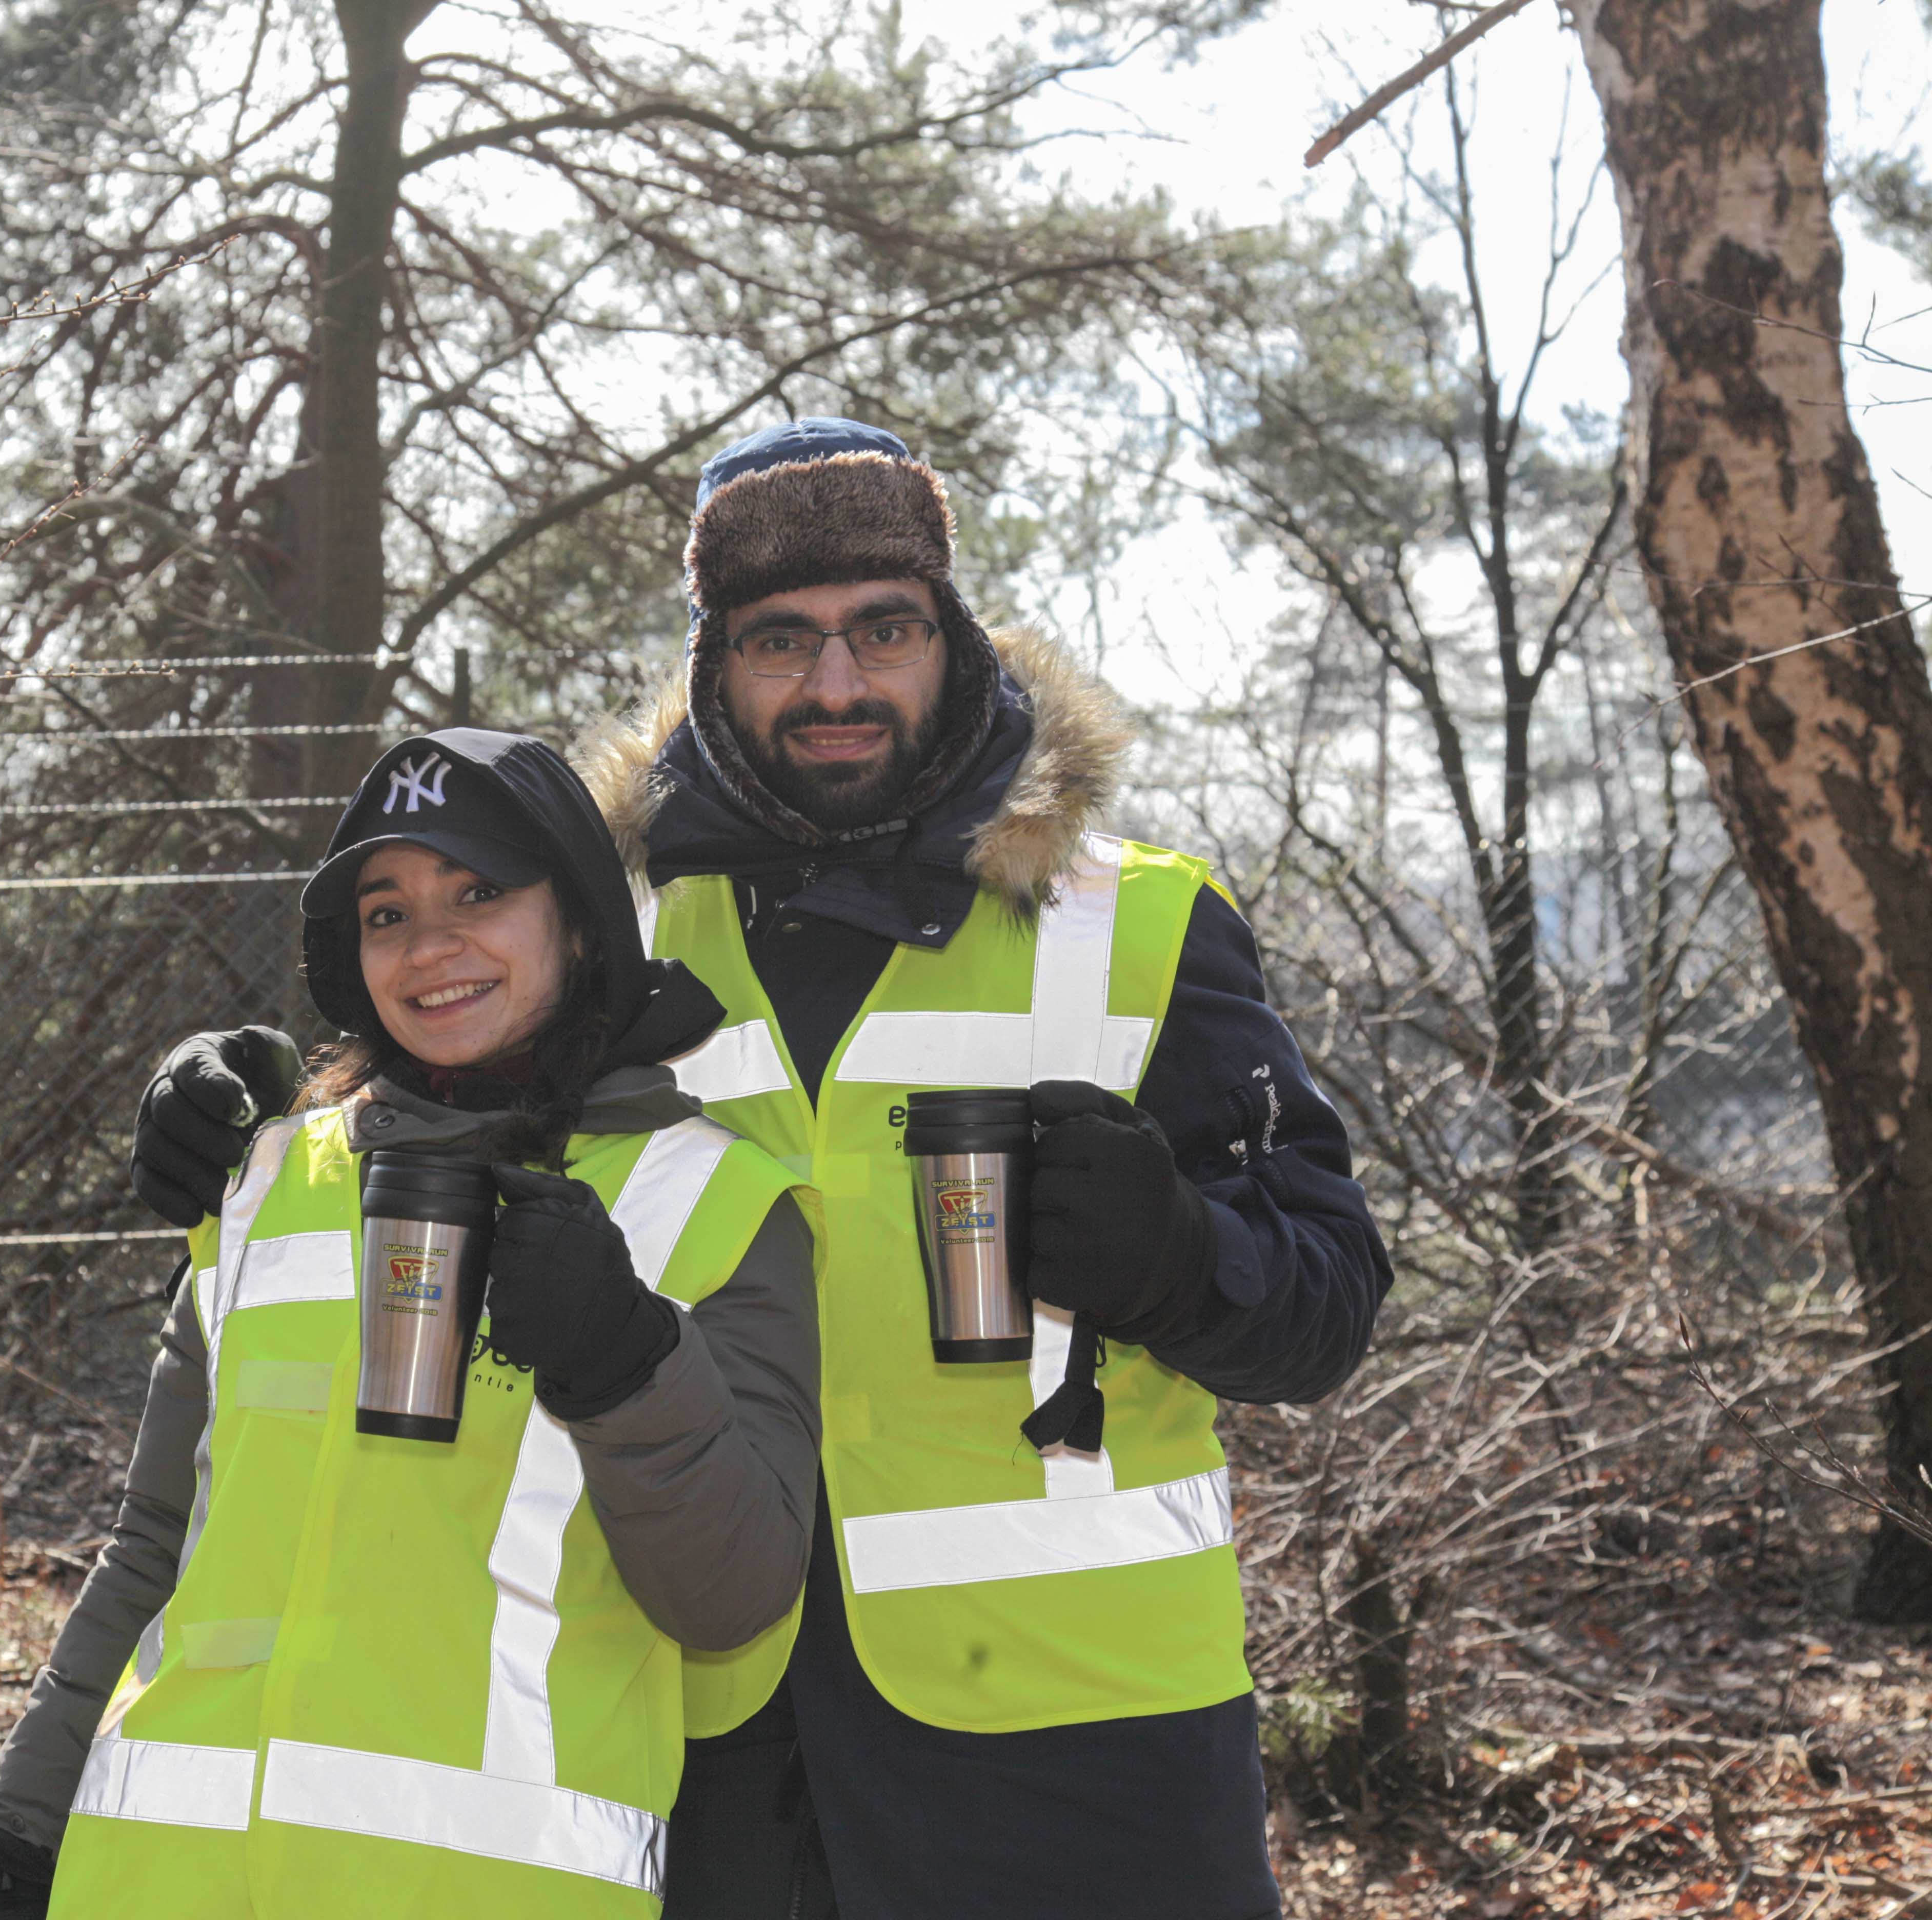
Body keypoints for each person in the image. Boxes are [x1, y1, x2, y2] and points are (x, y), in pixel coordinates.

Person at [134, 419, 1393, 1918]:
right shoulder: (622, 930)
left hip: (1084, 1728)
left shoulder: (1137, 927)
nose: (839, 682)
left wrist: (1182, 1258)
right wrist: (249, 1094)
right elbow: (416, 1088)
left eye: (885, 629)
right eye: (781, 640)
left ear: (958, 641)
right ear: (712, 665)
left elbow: (1330, 1307)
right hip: (701, 1722)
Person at [0, 729, 824, 1920]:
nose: (431, 946)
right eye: (386, 913)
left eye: (479, 892)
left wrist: (626, 1364)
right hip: (157, 1879)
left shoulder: (715, 1204)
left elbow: (736, 1606)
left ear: (578, 919)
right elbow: (156, 1543)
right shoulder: (267, 1181)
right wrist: (20, 1830)